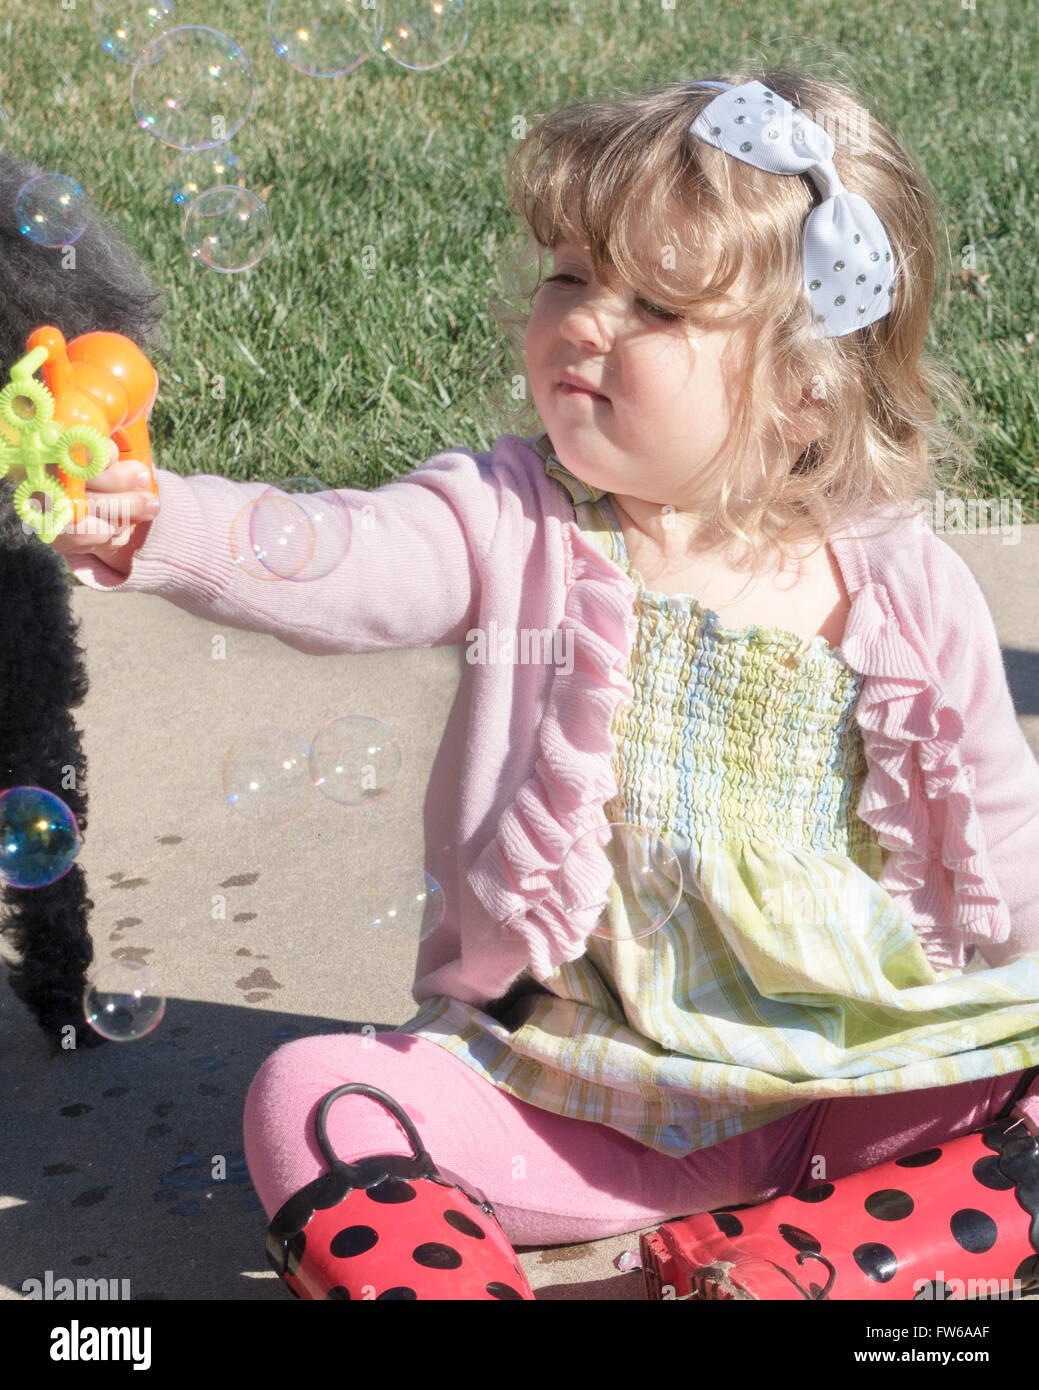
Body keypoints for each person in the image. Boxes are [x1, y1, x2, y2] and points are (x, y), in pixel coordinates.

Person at [56, 70, 1039, 1294]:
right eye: (570, 277)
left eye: (657, 308)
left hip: (850, 1085)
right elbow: (332, 556)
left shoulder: (899, 580)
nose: (586, 322)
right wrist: (158, 524)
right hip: (585, 1101)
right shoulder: (512, 516)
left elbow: (1000, 831)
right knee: (319, 1095)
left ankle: (778, 1262)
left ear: (805, 385)